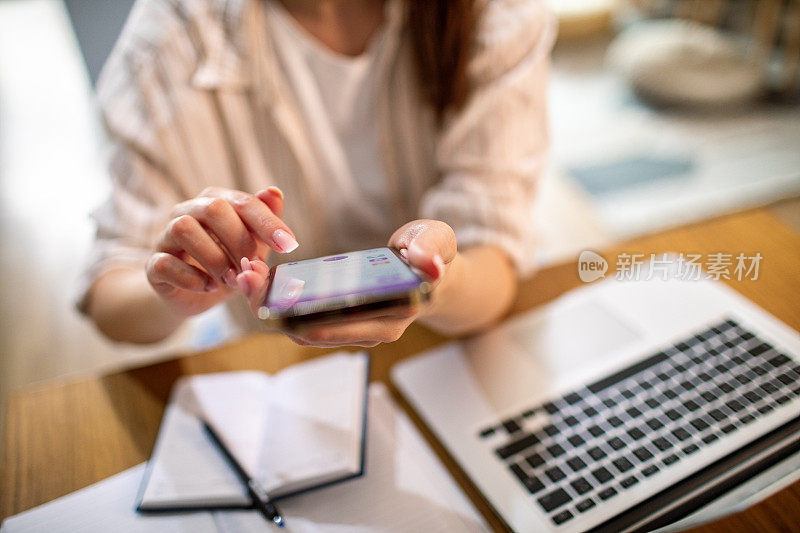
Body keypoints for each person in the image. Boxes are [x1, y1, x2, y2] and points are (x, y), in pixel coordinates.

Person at [79, 0, 556, 347]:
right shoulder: (168, 41)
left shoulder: (495, 16)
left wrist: (440, 282)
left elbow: (493, 265)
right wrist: (175, 291)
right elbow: (109, 296)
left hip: (445, 353)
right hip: (277, 372)